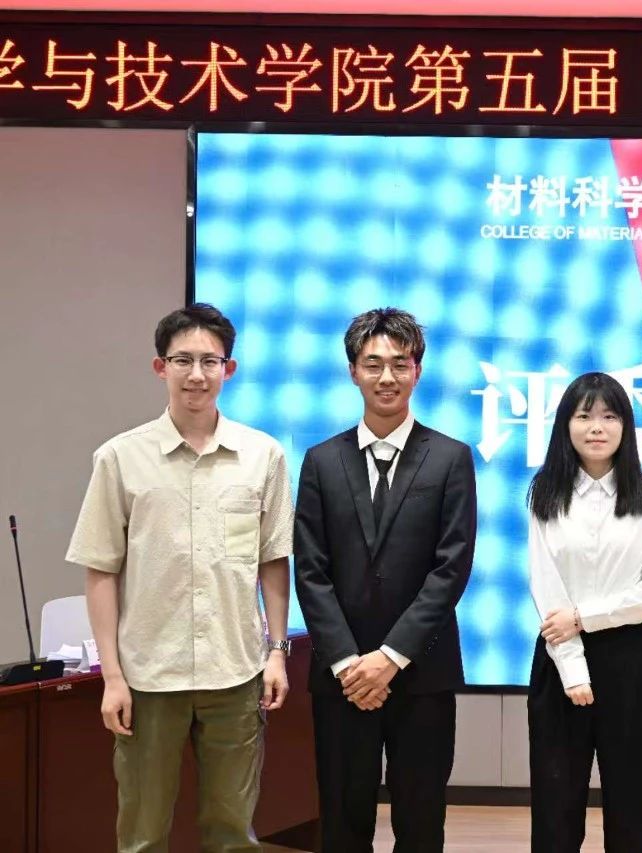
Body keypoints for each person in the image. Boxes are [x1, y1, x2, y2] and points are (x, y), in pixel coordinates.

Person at [67, 303, 294, 852]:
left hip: (235, 675)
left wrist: (276, 652)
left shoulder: (263, 455)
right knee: (142, 836)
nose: (197, 374)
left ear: (229, 369)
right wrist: (113, 678)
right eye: (182, 360)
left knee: (233, 835)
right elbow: (101, 570)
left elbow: (272, 560)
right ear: (159, 367)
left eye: (209, 361)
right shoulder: (120, 458)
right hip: (149, 680)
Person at [294, 308, 477, 853]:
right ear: (353, 371)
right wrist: (349, 663)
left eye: (400, 364)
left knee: (421, 821)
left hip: (422, 673)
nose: (387, 377)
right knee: (342, 821)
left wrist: (390, 658)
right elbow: (310, 569)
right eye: (373, 364)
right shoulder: (321, 461)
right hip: (342, 677)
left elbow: (451, 568)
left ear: (418, 371)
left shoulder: (450, 459)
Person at [526, 372, 642, 853]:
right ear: (565, 425)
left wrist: (583, 617)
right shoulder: (545, 492)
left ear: (626, 427)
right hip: (558, 657)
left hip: (630, 657)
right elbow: (545, 584)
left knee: (632, 798)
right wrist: (573, 668)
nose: (596, 427)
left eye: (610, 416)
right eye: (584, 416)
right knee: (556, 802)